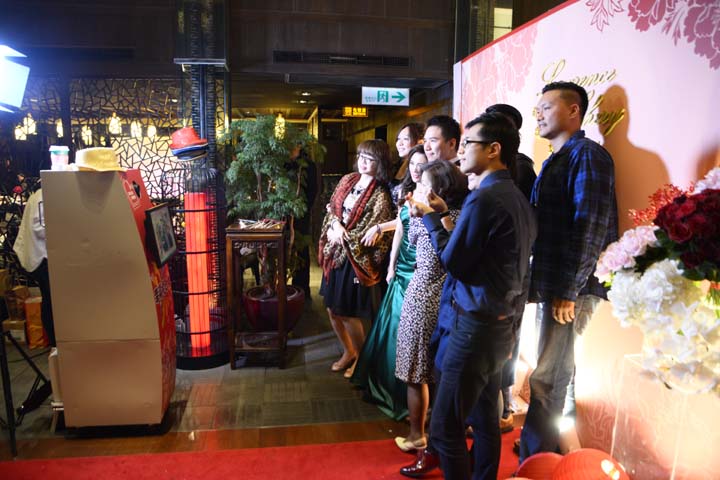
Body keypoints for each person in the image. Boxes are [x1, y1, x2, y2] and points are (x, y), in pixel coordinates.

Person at [404, 112, 536, 479]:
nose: (460, 152)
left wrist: (431, 218)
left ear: (494, 149)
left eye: (467, 145)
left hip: (473, 328)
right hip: (497, 326)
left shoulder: (485, 199)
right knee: (484, 418)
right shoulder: (516, 197)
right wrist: (444, 215)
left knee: (446, 429)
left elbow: (455, 263)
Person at [519, 81, 618, 462]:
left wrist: (569, 290)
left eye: (546, 107)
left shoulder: (588, 155)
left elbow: (589, 225)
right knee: (555, 373)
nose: (538, 114)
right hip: (555, 284)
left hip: (569, 287)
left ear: (574, 111)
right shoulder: (558, 158)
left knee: (549, 378)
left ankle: (535, 464)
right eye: (538, 108)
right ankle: (549, 454)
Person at [394, 160, 467, 452]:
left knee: (415, 371)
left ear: (440, 190)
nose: (419, 188)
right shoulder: (460, 217)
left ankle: (416, 434)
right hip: (450, 300)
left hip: (422, 295)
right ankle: (436, 430)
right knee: (438, 370)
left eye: (424, 184)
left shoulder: (425, 218)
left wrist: (418, 214)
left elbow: (413, 242)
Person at [351, 144, 428, 420]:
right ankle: (382, 382)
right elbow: (400, 227)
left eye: (422, 165)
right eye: (413, 164)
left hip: (420, 268)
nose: (416, 169)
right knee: (390, 323)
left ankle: (404, 395)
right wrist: (392, 264)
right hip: (402, 264)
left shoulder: (434, 195)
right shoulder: (409, 192)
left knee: (403, 328)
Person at [318, 139, 394, 378]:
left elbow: (372, 233)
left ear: (380, 163)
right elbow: (331, 208)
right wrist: (335, 227)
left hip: (355, 260)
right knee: (332, 309)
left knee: (348, 312)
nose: (363, 162)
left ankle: (361, 358)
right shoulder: (348, 180)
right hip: (335, 252)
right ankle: (348, 351)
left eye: (370, 158)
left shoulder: (381, 194)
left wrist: (343, 236)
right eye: (361, 156)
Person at [484, 103, 537, 430]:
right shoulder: (485, 169)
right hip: (489, 271)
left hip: (509, 272)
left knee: (507, 338)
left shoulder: (521, 168)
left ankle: (504, 407)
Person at [361, 123, 425, 246]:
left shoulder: (418, 173)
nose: (399, 143)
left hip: (400, 234)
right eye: (398, 139)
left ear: (420, 142)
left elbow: (407, 216)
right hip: (382, 226)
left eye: (405, 139)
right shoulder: (394, 166)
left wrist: (380, 228)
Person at [13, 186, 56, 347]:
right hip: (42, 257)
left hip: (43, 255)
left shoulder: (42, 193)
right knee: (51, 301)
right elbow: (40, 228)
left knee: (50, 300)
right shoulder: (45, 195)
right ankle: (55, 343)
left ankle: (55, 342)